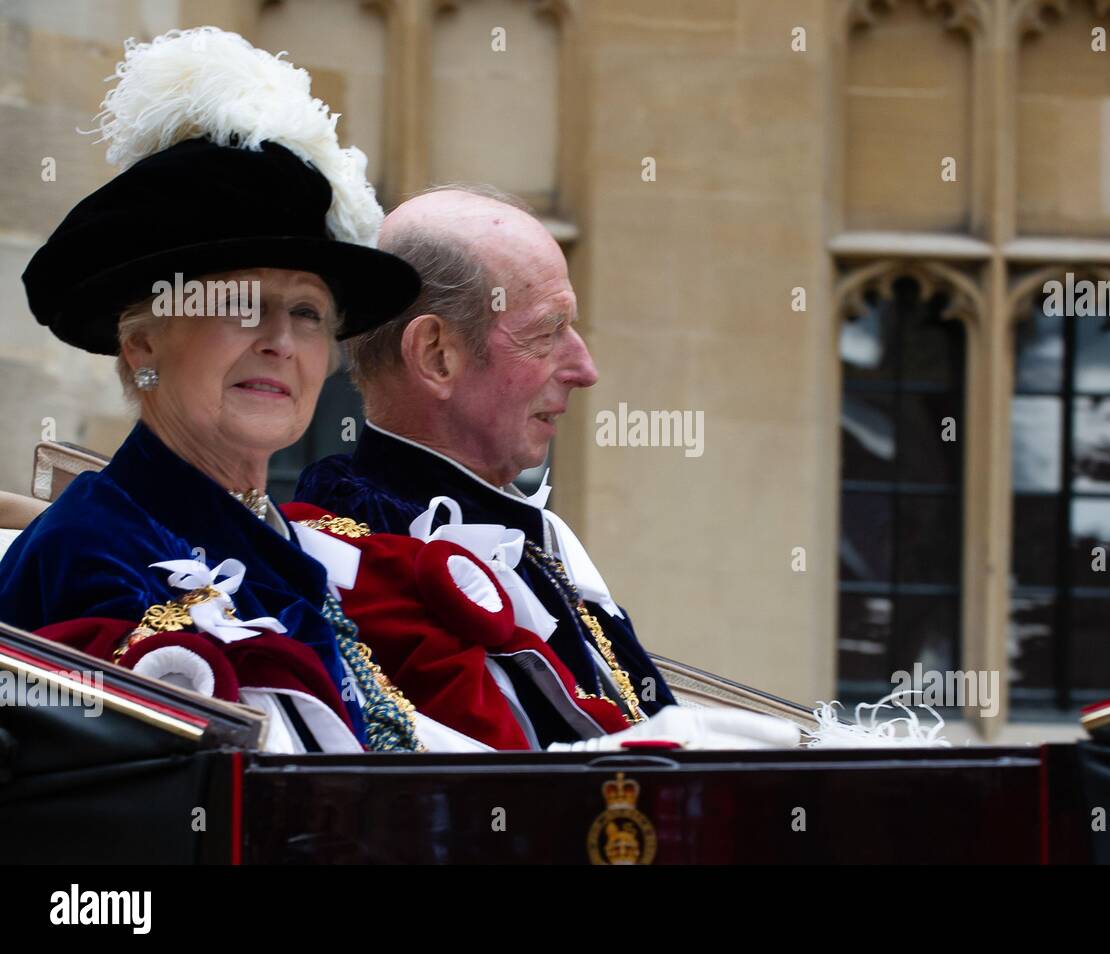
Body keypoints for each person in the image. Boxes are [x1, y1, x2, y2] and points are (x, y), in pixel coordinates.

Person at [0, 27, 485, 754]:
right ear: (142, 347)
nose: (280, 342)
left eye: (307, 314)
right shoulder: (91, 548)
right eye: (237, 307)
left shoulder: (272, 535)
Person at [295, 187, 802, 750]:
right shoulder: (346, 560)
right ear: (437, 354)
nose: (585, 369)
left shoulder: (533, 534)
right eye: (546, 333)